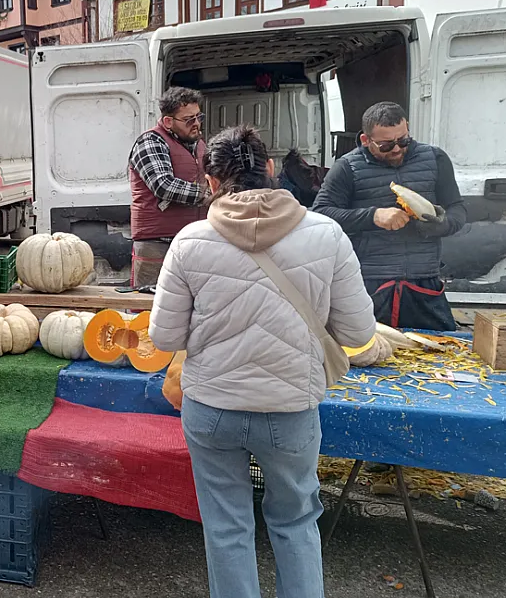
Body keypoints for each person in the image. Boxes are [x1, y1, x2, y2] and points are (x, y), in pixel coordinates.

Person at [149, 125, 375, 598]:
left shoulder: (190, 241)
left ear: (211, 183)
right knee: (295, 523)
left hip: (211, 408)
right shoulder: (326, 234)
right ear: (270, 171)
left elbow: (165, 336)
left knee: (226, 527)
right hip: (291, 409)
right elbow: (358, 333)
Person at [313, 101, 466, 331]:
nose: (396, 149)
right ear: (366, 140)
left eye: (403, 140)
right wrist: (373, 216)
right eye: (386, 145)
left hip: (424, 282)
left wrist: (438, 225)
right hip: (370, 285)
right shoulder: (347, 167)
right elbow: (320, 214)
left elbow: (458, 210)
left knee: (440, 355)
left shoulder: (435, 159)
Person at [127, 86, 210, 287]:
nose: (196, 124)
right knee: (148, 308)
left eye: (199, 117)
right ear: (168, 122)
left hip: (193, 240)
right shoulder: (150, 142)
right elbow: (164, 185)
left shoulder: (200, 145)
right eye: (189, 119)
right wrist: (210, 194)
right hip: (157, 244)